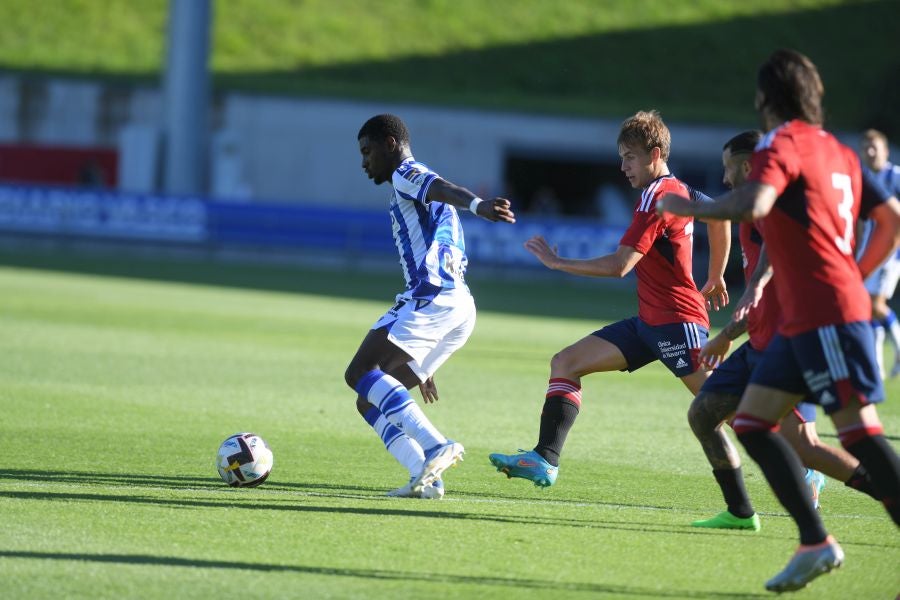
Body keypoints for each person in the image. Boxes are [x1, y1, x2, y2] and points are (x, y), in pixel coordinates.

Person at [657, 49, 900, 593]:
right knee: (751, 422)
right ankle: (815, 542)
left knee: (860, 435)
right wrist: (856, 273)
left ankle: (818, 538)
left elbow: (759, 200)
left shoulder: (781, 145)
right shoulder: (838, 150)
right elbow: (891, 220)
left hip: (826, 316)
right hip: (803, 321)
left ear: (768, 99)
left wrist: (693, 211)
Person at [488, 110, 731, 487]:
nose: (622, 167)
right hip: (649, 322)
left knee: (728, 405)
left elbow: (620, 265)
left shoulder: (658, 199)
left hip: (677, 323)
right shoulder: (677, 189)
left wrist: (557, 262)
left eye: (629, 157)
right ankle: (544, 459)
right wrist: (714, 275)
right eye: (621, 157)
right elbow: (719, 216)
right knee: (565, 362)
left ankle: (805, 463)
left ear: (654, 154)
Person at [689, 130, 879, 534]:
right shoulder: (752, 211)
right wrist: (732, 333)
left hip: (782, 345)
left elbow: (770, 265)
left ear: (745, 167)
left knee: (806, 446)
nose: (724, 179)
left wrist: (729, 330)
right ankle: (741, 512)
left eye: (727, 169)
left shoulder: (768, 209)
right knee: (704, 415)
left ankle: (886, 490)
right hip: (756, 341)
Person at [350, 114, 516, 498]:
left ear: (390, 143)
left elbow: (442, 187)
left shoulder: (408, 173)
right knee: (367, 399)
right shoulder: (409, 183)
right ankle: (425, 477)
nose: (364, 162)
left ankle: (437, 446)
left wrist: (478, 205)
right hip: (457, 307)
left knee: (359, 371)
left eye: (367, 151)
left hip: (434, 298)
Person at [859, 129, 900, 378]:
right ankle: (876, 366)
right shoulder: (863, 180)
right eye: (866, 148)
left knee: (875, 303)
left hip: (891, 254)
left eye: (875, 147)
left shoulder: (894, 176)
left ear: (885, 151)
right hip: (869, 251)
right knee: (867, 306)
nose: (870, 152)